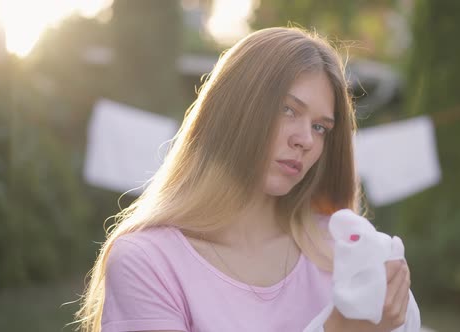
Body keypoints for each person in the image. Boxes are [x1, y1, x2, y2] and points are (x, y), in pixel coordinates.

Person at [76, 27, 419, 332]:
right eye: (288, 110)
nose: (306, 140)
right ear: (233, 110)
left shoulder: (344, 252)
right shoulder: (147, 261)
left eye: (320, 127)